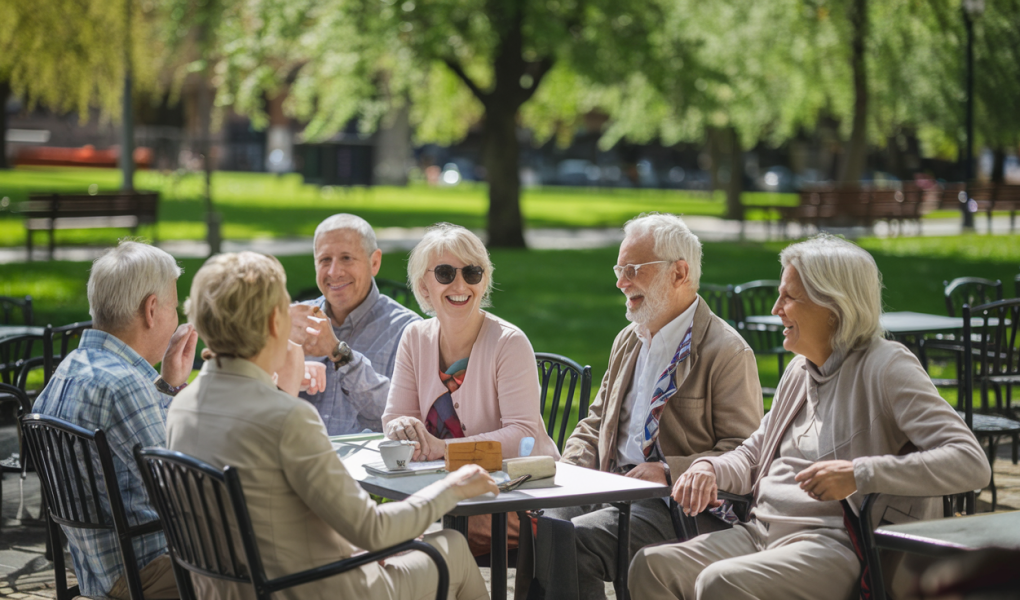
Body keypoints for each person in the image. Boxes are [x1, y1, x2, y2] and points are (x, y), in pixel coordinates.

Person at [631, 234, 992, 600]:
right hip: (762, 533)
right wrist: (709, 468)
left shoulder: (886, 366)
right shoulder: (800, 370)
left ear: (833, 306)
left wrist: (859, 474)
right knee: (650, 566)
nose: (776, 308)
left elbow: (971, 462)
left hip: (835, 546)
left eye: (789, 297)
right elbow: (754, 453)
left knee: (720, 581)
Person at [167, 251, 495, 600]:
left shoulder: (182, 406)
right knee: (453, 547)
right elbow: (373, 530)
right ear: (275, 324)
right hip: (316, 589)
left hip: (231, 590)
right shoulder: (286, 418)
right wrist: (453, 488)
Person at [544, 213, 764, 600]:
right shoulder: (629, 340)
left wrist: (666, 470)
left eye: (632, 269)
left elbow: (745, 452)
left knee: (576, 538)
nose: (620, 281)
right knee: (545, 521)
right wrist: (568, 473)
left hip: (681, 506)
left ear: (679, 273)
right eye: (619, 268)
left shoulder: (725, 351)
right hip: (614, 485)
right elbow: (596, 422)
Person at [33, 241, 197, 600]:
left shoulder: (69, 370)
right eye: (173, 306)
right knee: (278, 565)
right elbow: (183, 493)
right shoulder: (124, 385)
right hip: (148, 570)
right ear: (152, 310)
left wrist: (167, 387)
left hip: (97, 569)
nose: (177, 319)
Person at [382, 222, 560, 554]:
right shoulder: (414, 338)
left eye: (472, 273)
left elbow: (523, 435)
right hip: (449, 498)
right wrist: (399, 427)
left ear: (484, 281)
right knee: (388, 534)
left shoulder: (509, 342)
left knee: (410, 540)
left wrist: (443, 451)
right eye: (446, 273)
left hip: (520, 498)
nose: (460, 284)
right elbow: (395, 416)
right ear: (424, 286)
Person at [289, 214, 421, 434]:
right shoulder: (296, 322)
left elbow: (402, 414)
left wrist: (338, 352)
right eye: (324, 260)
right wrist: (280, 361)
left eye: (347, 258)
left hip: (369, 466)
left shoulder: (407, 330)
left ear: (375, 262)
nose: (334, 272)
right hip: (300, 460)